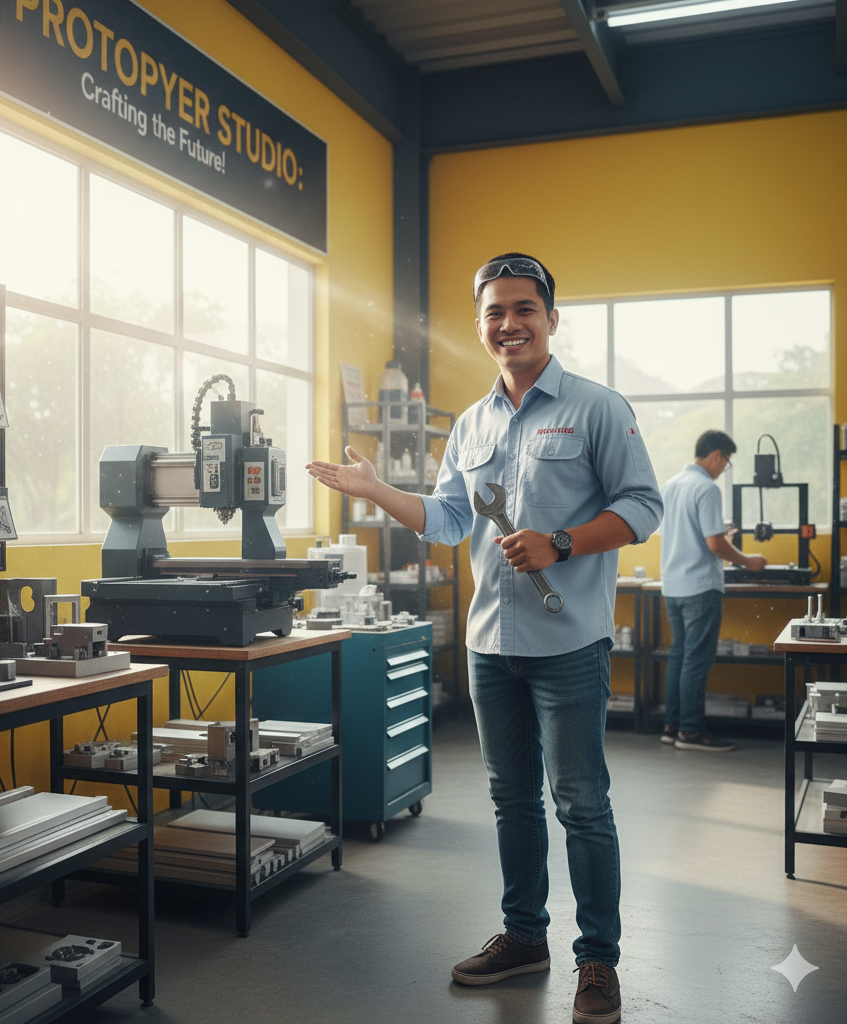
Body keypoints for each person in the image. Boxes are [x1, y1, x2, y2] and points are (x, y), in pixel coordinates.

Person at [307, 253, 662, 1024]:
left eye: (524, 308)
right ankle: (523, 937)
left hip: (569, 644)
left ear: (550, 318)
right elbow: (448, 520)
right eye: (495, 312)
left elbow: (643, 508)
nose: (510, 323)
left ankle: (597, 960)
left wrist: (560, 543)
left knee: (580, 802)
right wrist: (374, 491)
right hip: (489, 647)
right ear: (481, 325)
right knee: (510, 801)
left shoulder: (599, 408)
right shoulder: (470, 424)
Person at [659, 430, 767, 752]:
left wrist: (721, 535)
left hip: (673, 586)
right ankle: (691, 733)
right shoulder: (706, 487)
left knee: (679, 656)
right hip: (699, 587)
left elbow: (688, 534)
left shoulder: (670, 485)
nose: (724, 468)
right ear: (717, 455)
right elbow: (714, 544)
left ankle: (672, 726)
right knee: (696, 660)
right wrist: (748, 561)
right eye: (727, 461)